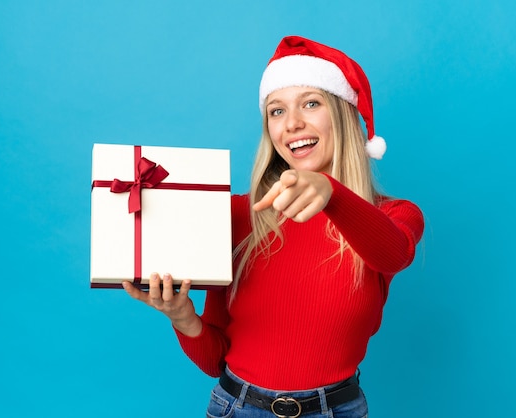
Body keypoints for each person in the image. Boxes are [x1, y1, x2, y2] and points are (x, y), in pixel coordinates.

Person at [123, 35, 424, 418]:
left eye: (311, 103)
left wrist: (331, 192)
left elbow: (393, 253)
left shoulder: (395, 215)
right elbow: (216, 361)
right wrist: (183, 318)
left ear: (344, 115)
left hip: (337, 410)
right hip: (238, 407)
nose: (293, 123)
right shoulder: (236, 215)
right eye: (276, 111)